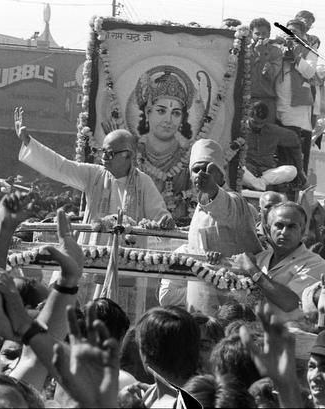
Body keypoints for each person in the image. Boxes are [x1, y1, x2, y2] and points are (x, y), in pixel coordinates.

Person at [15, 107, 173, 246]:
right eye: (103, 152)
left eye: (110, 153)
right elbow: (61, 166)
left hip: (128, 261)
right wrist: (28, 141)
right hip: (92, 255)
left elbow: (159, 217)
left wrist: (165, 221)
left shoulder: (143, 182)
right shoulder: (94, 175)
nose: (104, 157)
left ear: (128, 155)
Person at [160, 138, 263, 314]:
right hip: (201, 303)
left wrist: (213, 189)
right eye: (196, 170)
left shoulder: (236, 201)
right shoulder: (201, 205)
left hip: (233, 305)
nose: (201, 174)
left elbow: (224, 208)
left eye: (208, 169)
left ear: (221, 174)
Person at [231, 202, 325, 315]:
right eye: (279, 225)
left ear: (303, 230)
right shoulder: (260, 258)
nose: (284, 232)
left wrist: (253, 270)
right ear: (268, 229)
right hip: (251, 328)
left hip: (286, 332)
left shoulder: (315, 264)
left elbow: (290, 303)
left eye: (292, 226)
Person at [135, 70, 196, 217]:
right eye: (161, 111)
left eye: (175, 113)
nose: (168, 120)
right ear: (148, 112)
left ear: (182, 118)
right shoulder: (133, 153)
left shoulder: (189, 157)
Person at [275, 19, 317, 173]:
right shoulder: (278, 48)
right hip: (276, 106)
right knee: (277, 154)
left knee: (294, 153)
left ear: (303, 36)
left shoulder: (308, 52)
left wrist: (296, 56)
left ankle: (296, 184)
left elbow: (310, 72)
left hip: (296, 111)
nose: (291, 35)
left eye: (295, 33)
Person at [241, 101, 305, 190]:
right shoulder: (239, 129)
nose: (258, 126)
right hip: (248, 171)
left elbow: (294, 139)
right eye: (255, 122)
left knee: (292, 170)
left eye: (261, 123)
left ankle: (259, 184)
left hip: (267, 174)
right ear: (249, 116)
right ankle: (259, 185)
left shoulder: (273, 130)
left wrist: (300, 169)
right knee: (239, 169)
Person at [249, 17, 283, 123]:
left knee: (267, 135)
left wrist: (262, 55)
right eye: (257, 34)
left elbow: (270, 75)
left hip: (267, 100)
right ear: (251, 34)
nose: (261, 37)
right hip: (247, 101)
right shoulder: (245, 50)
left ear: (269, 34)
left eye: (264, 33)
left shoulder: (275, 52)